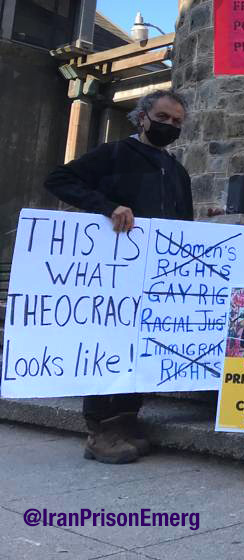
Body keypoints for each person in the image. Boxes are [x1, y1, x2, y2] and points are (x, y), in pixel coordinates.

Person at [44, 89, 192, 465]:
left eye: (176, 122)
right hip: (113, 275)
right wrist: (107, 207)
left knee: (141, 348)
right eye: (162, 118)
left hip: (157, 277)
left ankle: (126, 421)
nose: (169, 126)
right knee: (108, 347)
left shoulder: (178, 171)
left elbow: (185, 224)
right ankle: (99, 428)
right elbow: (59, 179)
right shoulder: (113, 153)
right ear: (142, 117)